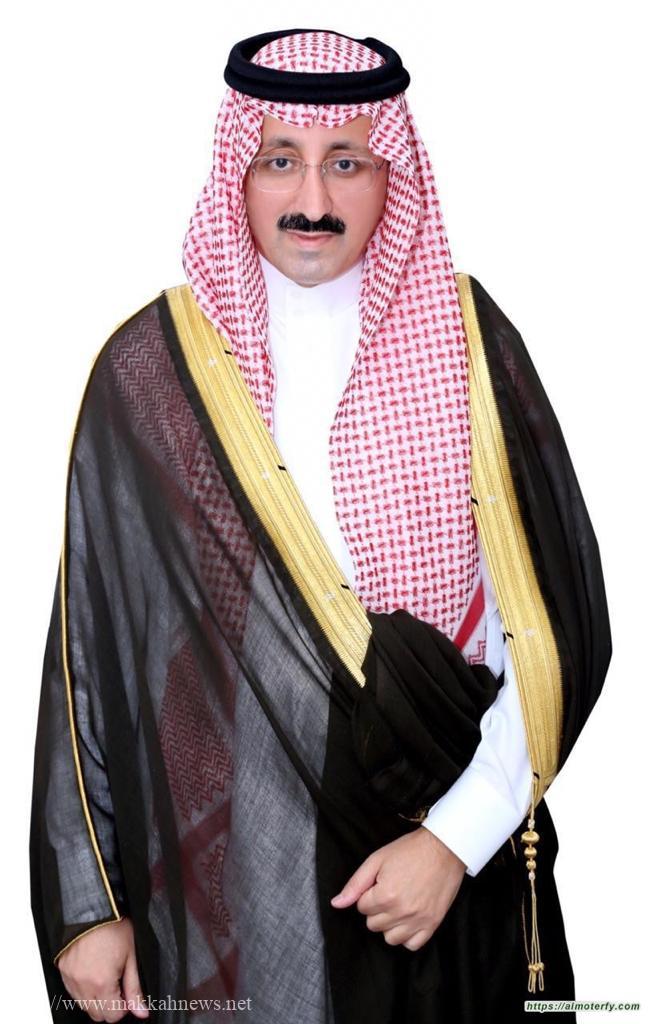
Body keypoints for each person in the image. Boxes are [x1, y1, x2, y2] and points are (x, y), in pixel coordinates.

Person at [29, 27, 612, 1024]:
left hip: (447, 879)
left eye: (346, 162)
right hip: (237, 885)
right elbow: (90, 654)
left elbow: (553, 627)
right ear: (238, 173)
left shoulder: (471, 346)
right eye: (279, 161)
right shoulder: (154, 371)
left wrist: (456, 838)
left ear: (392, 175)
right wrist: (90, 908)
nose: (312, 199)